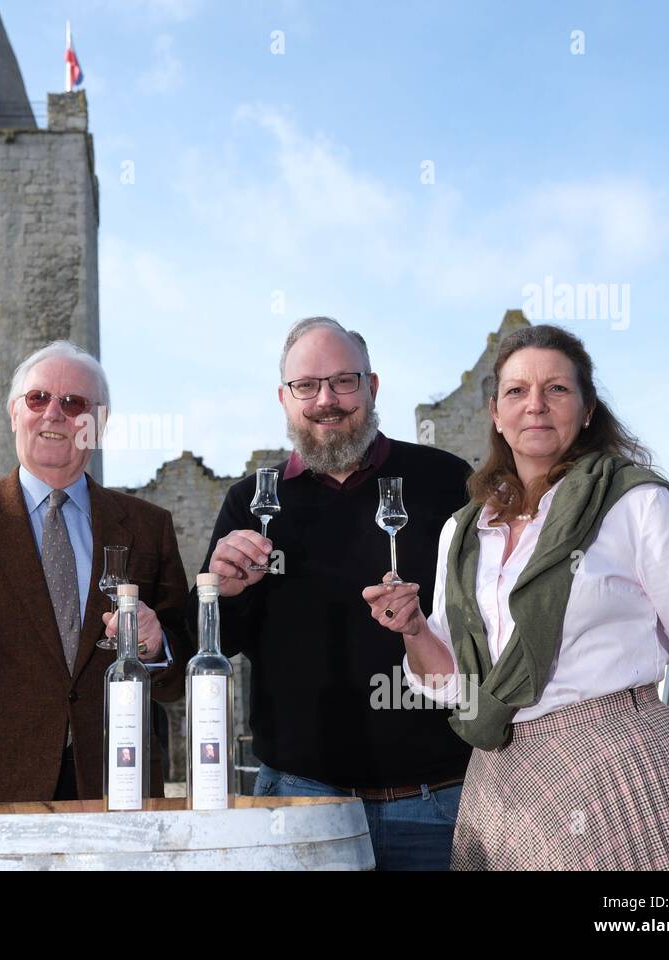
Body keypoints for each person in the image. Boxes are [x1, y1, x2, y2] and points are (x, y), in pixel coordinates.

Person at [365, 323, 669, 870]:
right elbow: (457, 683)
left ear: (588, 408)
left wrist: (667, 755)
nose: (536, 405)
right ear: (495, 415)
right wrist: (413, 631)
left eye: (557, 389)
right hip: (499, 785)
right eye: (516, 392)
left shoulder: (638, 506)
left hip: (622, 773)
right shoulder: (461, 533)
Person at [199, 316, 473, 870]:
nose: (326, 400)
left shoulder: (446, 481)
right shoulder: (251, 502)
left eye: (344, 382)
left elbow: (488, 622)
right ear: (284, 397)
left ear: (372, 388)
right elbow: (212, 644)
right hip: (302, 806)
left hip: (440, 804)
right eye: (307, 386)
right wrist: (222, 596)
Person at [0, 341, 191, 826]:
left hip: (117, 792)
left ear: (99, 424)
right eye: (38, 398)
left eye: (74, 403)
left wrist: (155, 649)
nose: (55, 413)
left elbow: (177, 674)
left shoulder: (149, 527)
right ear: (13, 413)